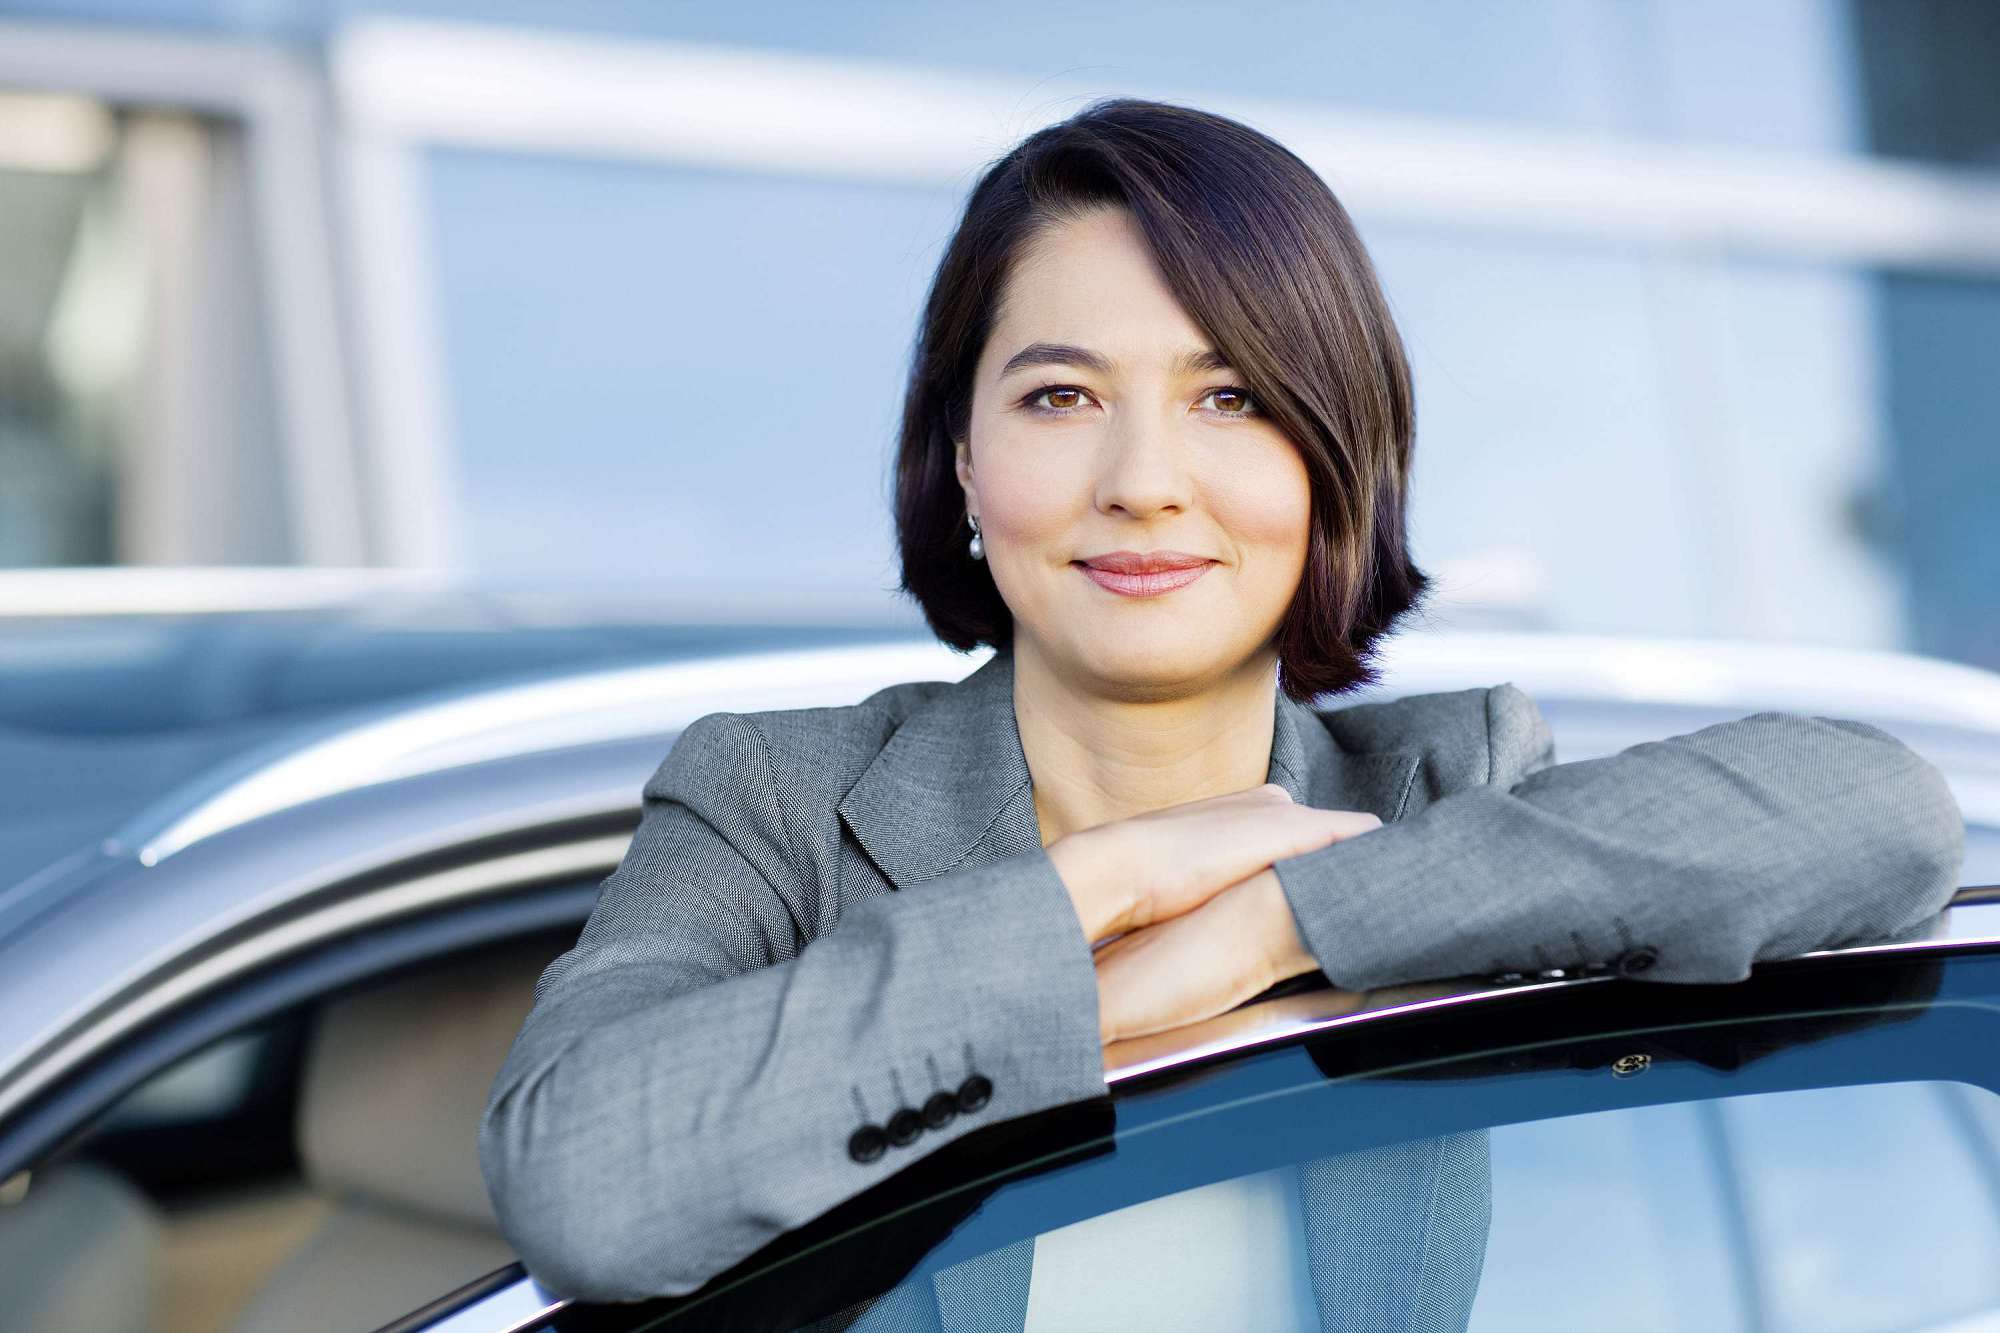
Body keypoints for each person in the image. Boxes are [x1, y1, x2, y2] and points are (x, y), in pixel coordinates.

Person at [478, 97, 1967, 1323]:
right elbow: (585, 1183)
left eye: (1232, 396)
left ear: (1335, 459)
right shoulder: (778, 808)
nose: (1142, 478)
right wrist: (1096, 924)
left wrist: (1272, 927)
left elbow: (1883, 819)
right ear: (960, 462)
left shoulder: (1449, 786)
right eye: (1060, 396)